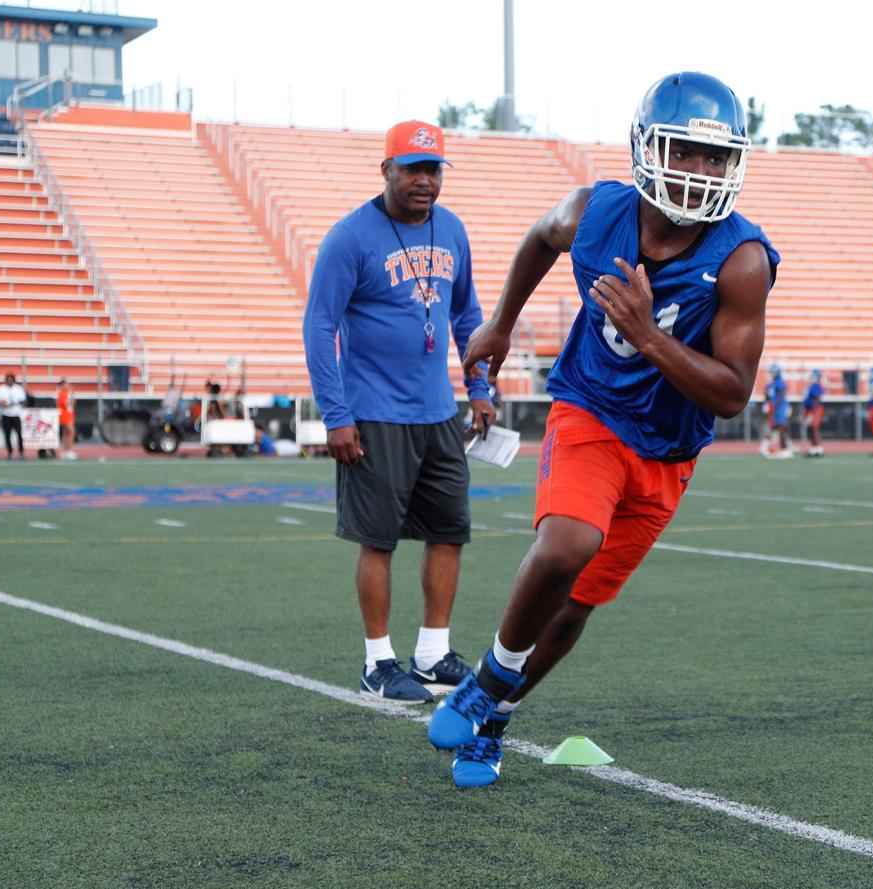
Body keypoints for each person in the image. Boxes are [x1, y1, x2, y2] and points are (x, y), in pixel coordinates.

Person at [427, 72, 778, 788]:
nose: (702, 171)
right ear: (648, 148)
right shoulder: (596, 210)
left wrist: (649, 337)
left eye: (716, 158)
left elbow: (734, 393)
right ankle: (489, 680)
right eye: (685, 151)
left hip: (669, 448)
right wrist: (499, 322)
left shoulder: (740, 260)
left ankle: (493, 716)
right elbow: (538, 237)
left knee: (575, 603)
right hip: (590, 405)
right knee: (567, 543)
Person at [303, 118, 496, 706]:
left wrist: (480, 385)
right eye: (412, 168)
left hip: (437, 413)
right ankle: (376, 662)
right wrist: (335, 414)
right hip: (375, 414)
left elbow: (467, 317)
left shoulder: (452, 229)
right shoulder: (350, 237)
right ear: (386, 169)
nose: (424, 181)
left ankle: (433, 653)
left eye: (433, 170)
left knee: (448, 532)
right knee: (378, 540)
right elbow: (319, 326)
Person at [758, 363, 792, 458]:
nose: (771, 374)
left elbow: (781, 396)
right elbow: (767, 395)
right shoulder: (770, 384)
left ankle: (785, 449)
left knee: (781, 427)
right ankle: (766, 445)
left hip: (780, 407)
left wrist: (774, 406)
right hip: (773, 407)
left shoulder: (780, 382)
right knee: (773, 427)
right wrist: (766, 403)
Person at [0, 372, 27, 460]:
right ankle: (10, 452)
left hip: (15, 415)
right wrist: (1, 402)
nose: (10, 381)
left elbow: (23, 401)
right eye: (8, 380)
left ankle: (21, 452)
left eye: (11, 379)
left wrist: (14, 404)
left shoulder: (18, 389)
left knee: (19, 434)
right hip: (5, 414)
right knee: (7, 435)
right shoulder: (1, 389)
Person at [802, 368, 825, 456]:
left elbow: (816, 399)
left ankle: (819, 447)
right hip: (809, 409)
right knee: (810, 428)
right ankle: (814, 447)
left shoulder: (817, 386)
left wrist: (812, 413)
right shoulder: (811, 386)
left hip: (815, 409)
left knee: (815, 428)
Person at [56, 378, 77, 460]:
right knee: (71, 432)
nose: (67, 386)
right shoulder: (62, 393)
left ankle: (65, 451)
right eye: (65, 384)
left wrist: (72, 395)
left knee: (66, 433)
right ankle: (68, 450)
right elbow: (67, 403)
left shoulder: (66, 393)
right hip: (65, 415)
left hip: (69, 414)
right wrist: (71, 395)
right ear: (61, 385)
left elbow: (74, 402)